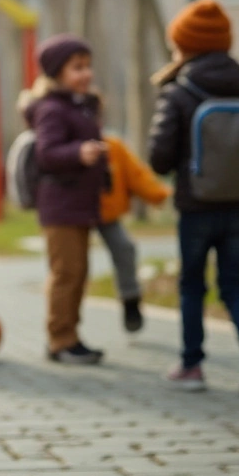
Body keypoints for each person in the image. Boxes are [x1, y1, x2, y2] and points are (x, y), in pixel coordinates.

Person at [148, 0, 239, 396]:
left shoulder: (180, 92)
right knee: (233, 284)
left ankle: (192, 366)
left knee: (192, 285)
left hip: (196, 206)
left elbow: (159, 157)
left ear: (186, 46)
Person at [23, 34, 107, 365]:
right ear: (57, 73)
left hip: (80, 204)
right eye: (77, 67)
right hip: (60, 204)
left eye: (88, 66)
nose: (86, 73)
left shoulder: (79, 106)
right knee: (65, 273)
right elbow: (47, 153)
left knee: (78, 272)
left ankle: (72, 335)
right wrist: (79, 152)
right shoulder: (52, 109)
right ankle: (60, 339)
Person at [99, 131, 171, 332]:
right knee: (74, 267)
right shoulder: (69, 145)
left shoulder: (113, 147)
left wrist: (159, 194)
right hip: (74, 214)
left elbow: (136, 175)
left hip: (107, 212)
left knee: (125, 248)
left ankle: (130, 299)